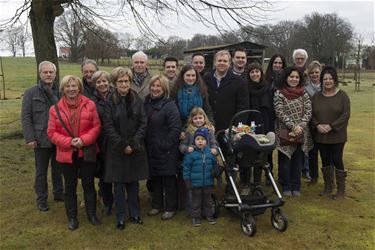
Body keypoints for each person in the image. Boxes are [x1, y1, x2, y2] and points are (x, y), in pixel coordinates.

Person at [47, 75, 101, 230]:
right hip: (66, 153)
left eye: (74, 86)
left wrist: (83, 140)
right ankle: (72, 218)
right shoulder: (54, 109)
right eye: (67, 86)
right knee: (70, 187)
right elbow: (51, 133)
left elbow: (96, 127)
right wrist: (69, 142)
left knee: (89, 184)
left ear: (79, 88)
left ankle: (92, 215)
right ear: (63, 89)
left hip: (86, 151)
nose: (71, 89)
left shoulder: (90, 104)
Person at [102, 67, 149, 230]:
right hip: (117, 150)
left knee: (134, 185)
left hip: (135, 149)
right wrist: (122, 145)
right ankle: (120, 216)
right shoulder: (109, 103)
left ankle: (135, 214)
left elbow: (143, 123)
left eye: (126, 81)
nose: (124, 84)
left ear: (130, 83)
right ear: (114, 83)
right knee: (119, 185)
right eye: (120, 81)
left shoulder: (137, 101)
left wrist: (133, 144)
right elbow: (108, 127)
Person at [21, 61, 64, 212]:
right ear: (39, 74)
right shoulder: (30, 93)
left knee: (58, 168)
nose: (48, 75)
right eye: (45, 72)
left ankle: (59, 193)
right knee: (41, 171)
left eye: (51, 72)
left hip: (58, 137)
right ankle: (41, 198)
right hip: (40, 138)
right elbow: (26, 117)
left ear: (55, 74)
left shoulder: (61, 91)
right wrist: (30, 138)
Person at [144, 75, 181, 220]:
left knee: (169, 179)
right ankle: (156, 205)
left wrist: (165, 144)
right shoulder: (146, 103)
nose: (155, 89)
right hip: (151, 147)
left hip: (167, 149)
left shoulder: (170, 105)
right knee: (155, 178)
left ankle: (170, 207)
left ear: (164, 88)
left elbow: (175, 128)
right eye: (153, 86)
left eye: (158, 86)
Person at [311, 66, 350, 199]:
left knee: (337, 160)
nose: (328, 81)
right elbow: (310, 115)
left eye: (330, 78)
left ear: (335, 80)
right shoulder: (316, 97)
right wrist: (317, 125)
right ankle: (328, 187)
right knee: (325, 160)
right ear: (322, 80)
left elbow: (345, 115)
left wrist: (331, 126)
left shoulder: (343, 96)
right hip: (321, 135)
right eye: (325, 79)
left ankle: (340, 190)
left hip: (337, 135)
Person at [274, 66, 313, 197]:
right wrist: (292, 126)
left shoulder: (304, 93)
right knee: (285, 161)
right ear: (286, 78)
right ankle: (286, 186)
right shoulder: (279, 93)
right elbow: (280, 112)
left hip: (302, 132)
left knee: (298, 161)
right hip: (285, 132)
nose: (294, 79)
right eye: (291, 77)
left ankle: (296, 185)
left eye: (297, 77)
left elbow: (308, 111)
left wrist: (300, 126)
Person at [245, 62, 275, 187]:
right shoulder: (245, 87)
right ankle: (246, 181)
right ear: (249, 74)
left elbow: (271, 109)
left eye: (257, 71)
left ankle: (258, 181)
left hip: (264, 122)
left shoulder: (267, 88)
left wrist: (269, 127)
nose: (255, 74)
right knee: (248, 152)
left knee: (262, 153)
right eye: (252, 72)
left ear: (261, 73)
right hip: (249, 123)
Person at [203, 50, 249, 131]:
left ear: (229, 63)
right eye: (219, 60)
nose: (222, 63)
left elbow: (243, 106)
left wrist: (236, 127)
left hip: (229, 127)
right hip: (207, 125)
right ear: (214, 62)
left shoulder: (239, 81)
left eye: (225, 61)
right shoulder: (206, 79)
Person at [182, 127, 217, 226]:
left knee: (208, 201)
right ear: (194, 141)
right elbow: (186, 168)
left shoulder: (210, 153)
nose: (200, 141)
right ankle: (196, 217)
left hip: (208, 182)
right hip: (195, 183)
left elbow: (215, 164)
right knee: (196, 201)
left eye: (202, 139)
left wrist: (215, 171)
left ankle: (209, 215)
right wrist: (187, 179)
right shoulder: (191, 154)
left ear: (206, 141)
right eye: (198, 139)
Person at [91, 70, 114, 215]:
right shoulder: (91, 101)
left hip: (116, 140)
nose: (102, 84)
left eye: (104, 81)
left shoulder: (117, 96)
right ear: (94, 84)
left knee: (119, 172)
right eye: (98, 82)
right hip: (101, 141)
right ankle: (107, 202)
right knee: (104, 174)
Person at [304, 61, 323, 184]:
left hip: (326, 123)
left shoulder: (326, 86)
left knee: (327, 152)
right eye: (312, 73)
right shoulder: (306, 89)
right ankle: (313, 176)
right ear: (309, 74)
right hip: (311, 123)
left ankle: (329, 177)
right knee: (312, 151)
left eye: (317, 72)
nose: (315, 75)